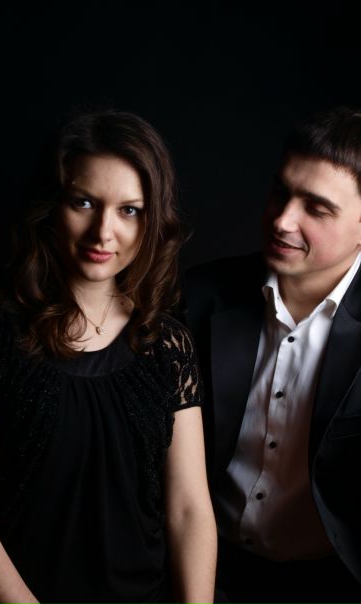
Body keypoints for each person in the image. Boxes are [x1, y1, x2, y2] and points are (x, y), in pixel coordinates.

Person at [0, 109, 218, 604]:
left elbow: (190, 510)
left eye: (129, 210)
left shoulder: (168, 344)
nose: (103, 232)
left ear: (153, 220)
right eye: (83, 202)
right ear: (52, 206)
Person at [184, 106, 361, 603]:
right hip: (206, 574)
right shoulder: (197, 297)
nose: (282, 220)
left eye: (317, 208)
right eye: (282, 192)